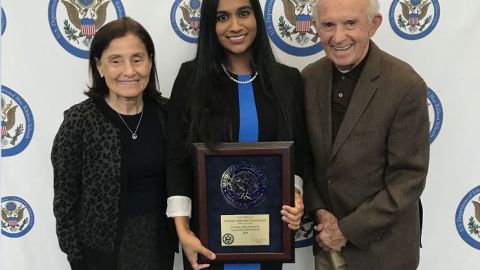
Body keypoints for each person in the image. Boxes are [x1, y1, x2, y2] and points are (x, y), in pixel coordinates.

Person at [166, 0, 311, 269]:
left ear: (256, 17)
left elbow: (298, 154)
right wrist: (183, 231)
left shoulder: (288, 80)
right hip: (207, 242)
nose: (235, 26)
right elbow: (177, 159)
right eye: (222, 17)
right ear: (211, 24)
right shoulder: (191, 78)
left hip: (269, 239)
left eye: (243, 13)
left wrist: (295, 194)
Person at [302, 0, 430, 269]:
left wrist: (345, 230)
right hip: (327, 247)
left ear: (374, 25)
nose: (338, 37)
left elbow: (408, 179)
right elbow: (306, 159)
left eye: (351, 23)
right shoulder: (309, 78)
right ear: (316, 27)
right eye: (327, 25)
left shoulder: (405, 84)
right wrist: (320, 212)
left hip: (385, 252)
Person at [51, 17, 176, 270]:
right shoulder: (79, 121)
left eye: (137, 59)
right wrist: (76, 259)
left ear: (150, 62)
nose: (129, 71)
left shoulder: (168, 113)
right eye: (115, 61)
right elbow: (65, 202)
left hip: (158, 244)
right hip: (101, 254)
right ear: (99, 66)